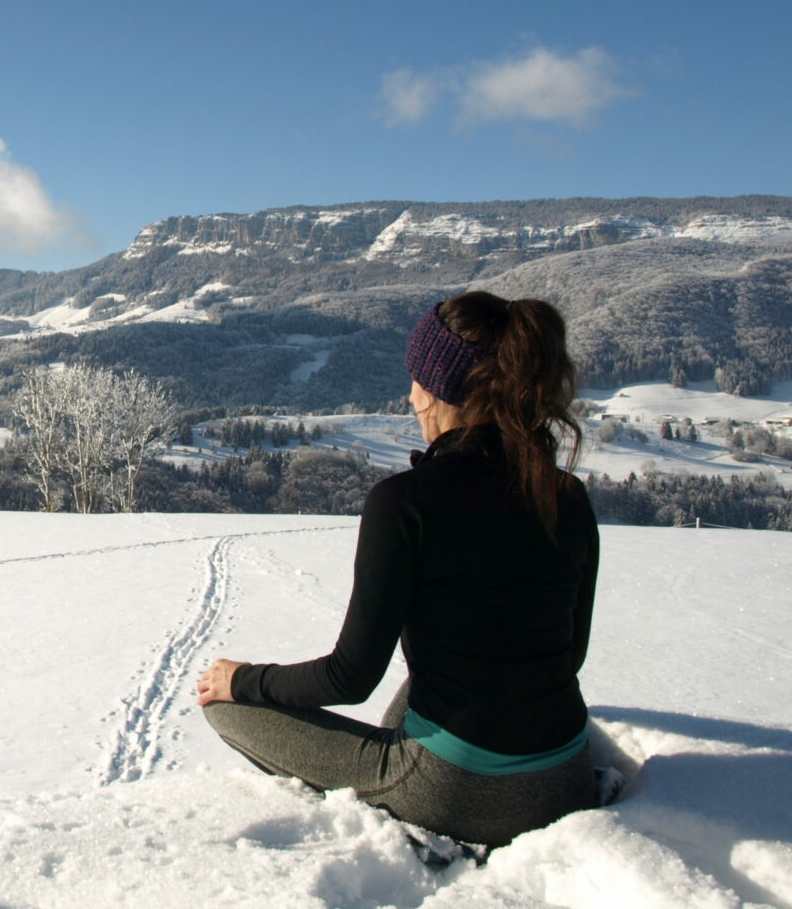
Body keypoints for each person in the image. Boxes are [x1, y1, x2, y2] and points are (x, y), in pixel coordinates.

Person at [196, 291, 600, 849]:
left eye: (417, 378)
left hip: (458, 791)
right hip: (567, 775)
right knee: (440, 671)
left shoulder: (405, 501)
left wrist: (243, 679)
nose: (411, 395)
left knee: (225, 708)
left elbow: (350, 677)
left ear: (444, 390)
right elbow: (568, 655)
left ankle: (414, 808)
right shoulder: (567, 495)